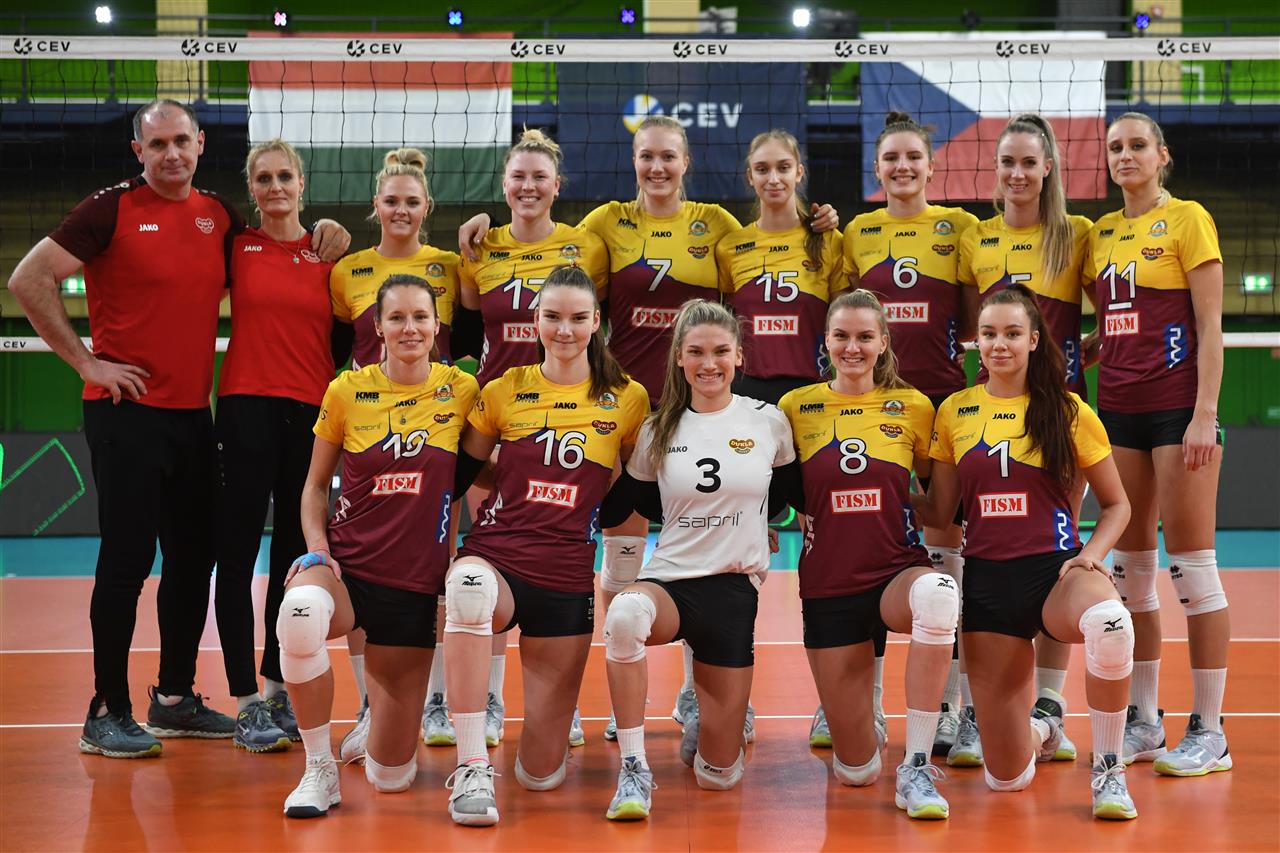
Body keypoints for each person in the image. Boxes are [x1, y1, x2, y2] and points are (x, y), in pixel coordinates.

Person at [458, 117, 839, 740]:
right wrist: (484, 224)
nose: (657, 167)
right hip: (625, 407)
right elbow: (540, 238)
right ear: (633, 161)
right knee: (622, 552)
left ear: (686, 162)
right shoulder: (605, 224)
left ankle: (698, 693)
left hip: (698, 408)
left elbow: (773, 250)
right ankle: (620, 687)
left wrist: (819, 219)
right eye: (646, 157)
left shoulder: (718, 226)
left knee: (709, 558)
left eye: (668, 156)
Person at [7, 99, 347, 758]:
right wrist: (87, 362)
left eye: (180, 141)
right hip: (126, 412)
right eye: (157, 143)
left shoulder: (219, 218)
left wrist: (327, 230)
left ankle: (173, 698)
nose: (171, 153)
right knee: (128, 560)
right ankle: (106, 709)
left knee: (194, 562)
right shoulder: (109, 209)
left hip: (194, 417)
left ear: (199, 144)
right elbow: (29, 277)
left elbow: (278, 245)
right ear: (139, 150)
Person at [916, 284, 1138, 820]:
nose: (999, 344)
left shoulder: (1068, 410)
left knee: (1110, 624)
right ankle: (1044, 727)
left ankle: (1110, 771)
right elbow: (940, 512)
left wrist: (1091, 554)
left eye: (1012, 333)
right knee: (1006, 778)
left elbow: (1118, 505)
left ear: (1034, 340)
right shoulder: (955, 411)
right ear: (976, 342)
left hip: (1055, 573)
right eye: (989, 334)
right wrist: (879, 485)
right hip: (988, 584)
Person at [441, 265, 648, 827]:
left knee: (542, 772)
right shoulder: (504, 389)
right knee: (467, 588)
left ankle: (536, 750)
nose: (564, 330)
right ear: (536, 321)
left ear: (596, 322)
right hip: (498, 556)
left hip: (567, 576)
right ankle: (471, 765)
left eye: (577, 318)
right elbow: (460, 474)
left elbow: (636, 487)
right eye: (552, 317)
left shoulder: (627, 398)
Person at [275, 274, 478, 818]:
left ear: (437, 325)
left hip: (413, 586)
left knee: (392, 779)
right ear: (378, 327)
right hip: (348, 567)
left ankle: (377, 729)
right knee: (299, 613)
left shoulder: (462, 391)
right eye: (397, 317)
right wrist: (318, 549)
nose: (410, 327)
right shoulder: (346, 390)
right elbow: (314, 486)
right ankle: (319, 769)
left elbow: (484, 470)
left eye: (420, 317)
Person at [597, 298, 794, 820]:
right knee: (625, 617)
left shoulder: (768, 421)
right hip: (671, 582)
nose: (710, 363)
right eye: (697, 352)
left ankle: (707, 722)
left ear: (739, 355)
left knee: (718, 777)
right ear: (679, 358)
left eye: (721, 351)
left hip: (733, 590)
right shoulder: (659, 428)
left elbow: (785, 494)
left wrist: (759, 522)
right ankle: (633, 766)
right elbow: (634, 504)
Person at [1086, 112, 1230, 776]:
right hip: (1117, 411)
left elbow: (1209, 324)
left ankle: (1210, 730)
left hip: (1177, 410)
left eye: (1137, 145)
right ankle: (1145, 720)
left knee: (1193, 571)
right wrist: (1091, 347)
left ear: (1161, 154)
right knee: (1131, 574)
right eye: (1115, 147)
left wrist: (1205, 413)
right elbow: (1119, 318)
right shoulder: (1100, 233)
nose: (1126, 155)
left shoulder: (1188, 219)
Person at [778, 289, 957, 819]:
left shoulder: (915, 406)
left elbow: (938, 504)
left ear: (883, 342)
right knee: (856, 771)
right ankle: (861, 720)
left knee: (939, 594)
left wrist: (894, 498)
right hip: (829, 584)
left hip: (895, 569)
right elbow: (778, 485)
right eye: (842, 336)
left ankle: (918, 764)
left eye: (864, 337)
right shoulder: (795, 407)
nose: (852, 347)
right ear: (826, 340)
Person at [956, 113, 1094, 763]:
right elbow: (968, 324)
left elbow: (1116, 307)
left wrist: (1087, 351)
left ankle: (1050, 706)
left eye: (1028, 162)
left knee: (1057, 549)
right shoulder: (974, 238)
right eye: (1006, 162)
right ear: (996, 170)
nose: (1016, 173)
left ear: (1048, 169)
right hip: (991, 414)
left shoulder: (1076, 236)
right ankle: (981, 707)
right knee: (984, 548)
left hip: (1059, 419)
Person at [840, 111, 979, 757]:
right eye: (891, 158)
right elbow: (846, 317)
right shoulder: (857, 232)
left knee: (946, 545)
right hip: (874, 406)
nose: (901, 167)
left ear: (930, 165)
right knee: (864, 545)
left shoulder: (960, 227)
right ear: (877, 168)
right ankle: (856, 705)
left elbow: (974, 318)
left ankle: (950, 707)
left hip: (943, 402)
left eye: (912, 157)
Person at [328, 147, 464, 759]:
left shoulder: (451, 267)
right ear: (375, 206)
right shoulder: (348, 271)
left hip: (437, 426)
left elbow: (474, 337)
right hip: (371, 434)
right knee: (365, 572)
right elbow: (336, 346)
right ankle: (368, 705)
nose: (401, 210)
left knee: (436, 569)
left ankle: (434, 700)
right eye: (391, 201)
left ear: (426, 206)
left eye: (412, 201)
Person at [214, 138, 336, 753]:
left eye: (285, 176)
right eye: (263, 178)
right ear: (252, 188)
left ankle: (277, 686)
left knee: (294, 556)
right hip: (246, 409)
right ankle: (244, 701)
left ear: (302, 183)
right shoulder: (236, 246)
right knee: (236, 555)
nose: (275, 186)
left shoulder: (328, 255)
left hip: (311, 414)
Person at [717, 129, 848, 404]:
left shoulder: (830, 241)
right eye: (762, 169)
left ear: (799, 172)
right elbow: (727, 322)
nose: (773, 178)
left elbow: (844, 324)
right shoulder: (730, 247)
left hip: (812, 388)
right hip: (746, 390)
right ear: (750, 177)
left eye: (783, 167)